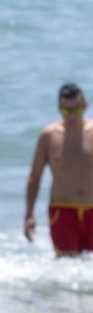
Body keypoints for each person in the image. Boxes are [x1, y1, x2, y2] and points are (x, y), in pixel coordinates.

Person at [23, 82, 93, 255]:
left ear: (85, 105)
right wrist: (29, 215)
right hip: (62, 211)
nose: (72, 116)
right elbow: (35, 176)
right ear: (59, 108)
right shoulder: (48, 136)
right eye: (66, 111)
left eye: (77, 110)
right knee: (66, 265)